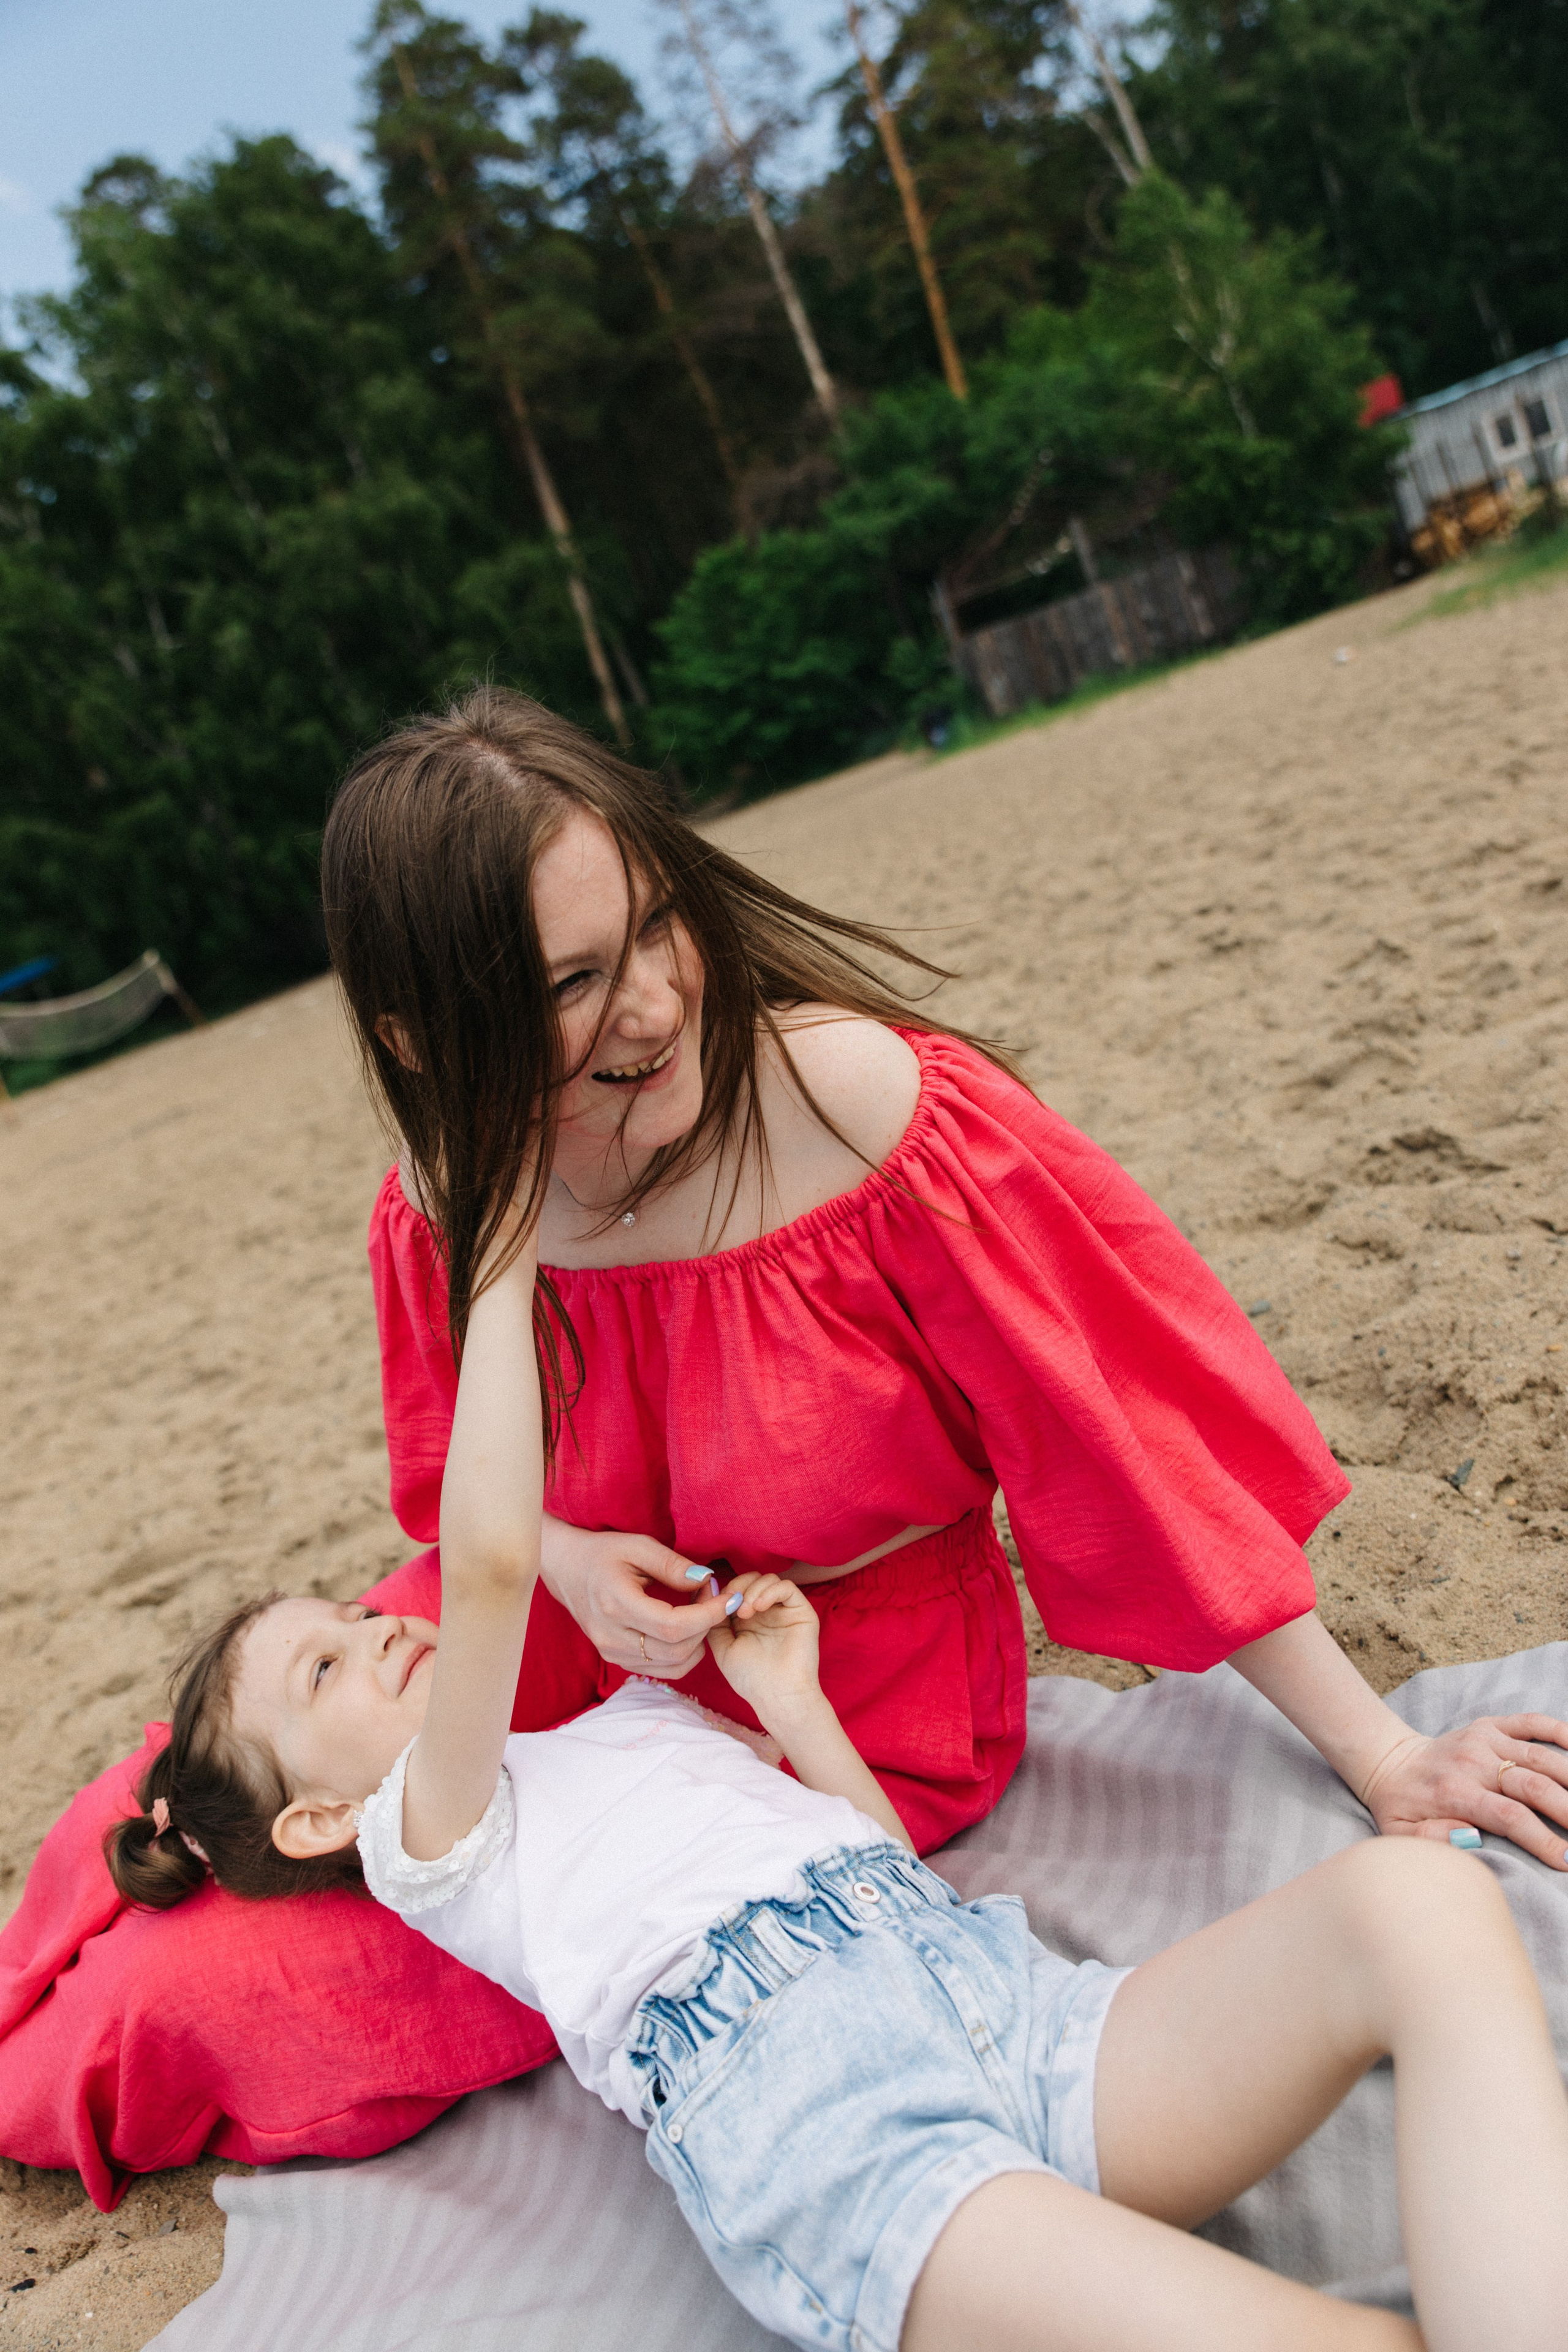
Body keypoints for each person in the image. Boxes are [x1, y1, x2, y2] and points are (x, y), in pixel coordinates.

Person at [105, 1210, 1568, 2352]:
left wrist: (791, 1704)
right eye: (326, 1668)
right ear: (320, 1817)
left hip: (1007, 2007)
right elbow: (485, 1561)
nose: (380, 1630)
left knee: (1415, 1904)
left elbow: (870, 1860)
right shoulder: (432, 1836)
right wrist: (491, 1263)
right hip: (826, 2129)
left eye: (352, 1616)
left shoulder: (628, 1722)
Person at [321, 685, 1568, 1865]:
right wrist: (574, 1563)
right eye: (573, 982)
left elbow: (1124, 1438)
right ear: (422, 1045)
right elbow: (453, 1497)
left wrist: (1383, 1753)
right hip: (565, 1651)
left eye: (656, 925)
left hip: (853, 1697)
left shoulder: (854, 1113)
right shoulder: (437, 1200)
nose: (654, 1005)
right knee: (278, 1808)